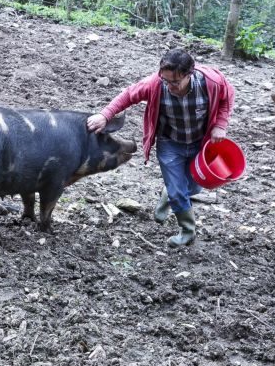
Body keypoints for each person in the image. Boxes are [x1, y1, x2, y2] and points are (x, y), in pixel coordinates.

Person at [87, 49, 235, 247]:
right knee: (178, 190)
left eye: (175, 82)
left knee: (194, 186)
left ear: (189, 74)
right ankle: (187, 230)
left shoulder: (211, 83)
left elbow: (227, 96)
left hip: (200, 143)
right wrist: (105, 115)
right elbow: (129, 95)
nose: (169, 86)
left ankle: (169, 194)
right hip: (170, 142)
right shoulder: (155, 84)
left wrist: (220, 124)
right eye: (165, 80)